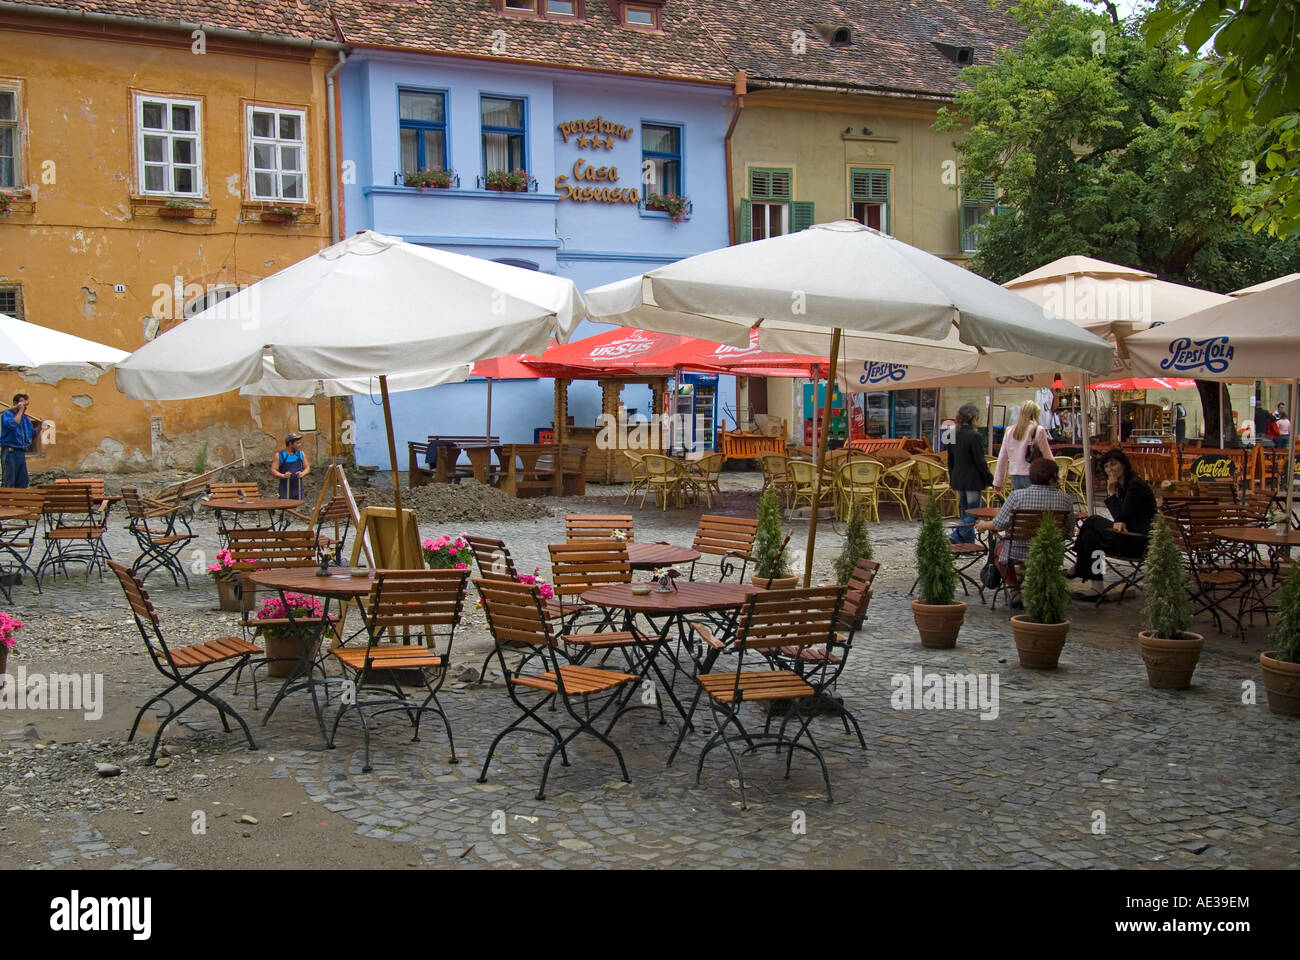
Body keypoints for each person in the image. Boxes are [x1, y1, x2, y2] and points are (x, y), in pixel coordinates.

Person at [974, 457, 1076, 609]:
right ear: (1054, 477)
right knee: (1013, 551)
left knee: (999, 553)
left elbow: (999, 524)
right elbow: (1069, 531)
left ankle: (1015, 592)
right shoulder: (1066, 499)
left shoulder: (1017, 496)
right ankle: (1035, 586)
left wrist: (983, 525)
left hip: (1016, 550)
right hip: (1049, 552)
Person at [1071, 448, 1157, 600]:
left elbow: (1120, 516)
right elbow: (1120, 520)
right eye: (1106, 466)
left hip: (1139, 541)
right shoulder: (1123, 486)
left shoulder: (1135, 485)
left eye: (1113, 464)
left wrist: (1110, 491)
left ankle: (1079, 564)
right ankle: (1097, 587)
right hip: (1126, 536)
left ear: (1123, 465)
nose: (1110, 469)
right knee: (1091, 537)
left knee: (1093, 520)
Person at [947, 402, 993, 545]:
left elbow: (950, 460)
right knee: (973, 513)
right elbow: (980, 461)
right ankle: (956, 535)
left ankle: (967, 543)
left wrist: (951, 479)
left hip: (957, 478)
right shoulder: (975, 436)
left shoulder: (952, 434)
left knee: (965, 511)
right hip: (972, 480)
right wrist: (989, 478)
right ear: (973, 418)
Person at [993, 400, 1052, 492]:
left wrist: (998, 481)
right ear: (1035, 414)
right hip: (1032, 474)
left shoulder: (1009, 430)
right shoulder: (1038, 430)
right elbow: (1047, 455)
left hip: (1015, 476)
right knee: (1033, 505)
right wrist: (1057, 474)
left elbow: (1002, 457)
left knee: (1021, 505)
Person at [0, 393, 36, 488]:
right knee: (9, 479)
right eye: (22, 403)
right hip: (10, 451)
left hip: (21, 451)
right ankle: (7, 501)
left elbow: (32, 433)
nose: (24, 407)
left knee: (23, 480)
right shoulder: (7, 414)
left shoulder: (25, 419)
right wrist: (20, 411)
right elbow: (12, 425)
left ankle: (19, 501)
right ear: (15, 403)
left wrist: (41, 427)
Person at [271, 432, 309, 500]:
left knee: (298, 506)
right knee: (286, 507)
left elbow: (307, 467)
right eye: (297, 443)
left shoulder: (301, 454)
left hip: (298, 488)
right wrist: (283, 475)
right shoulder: (280, 455)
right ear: (290, 444)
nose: (299, 445)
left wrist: (302, 473)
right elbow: (273, 470)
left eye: (299, 443)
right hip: (285, 488)